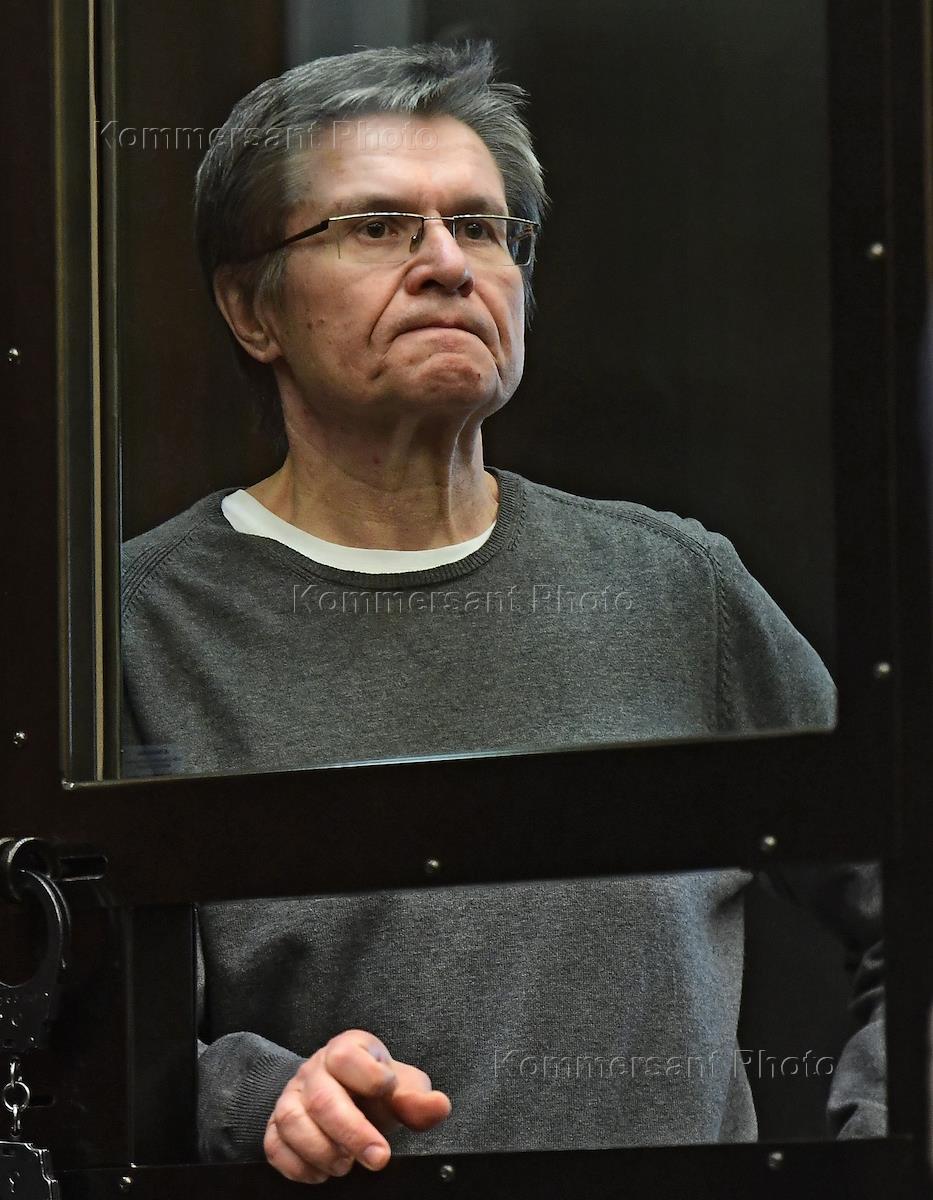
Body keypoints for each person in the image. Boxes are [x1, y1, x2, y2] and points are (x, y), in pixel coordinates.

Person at [121, 41, 886, 1185]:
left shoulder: (680, 587)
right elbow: (54, 1035)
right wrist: (249, 1099)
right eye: (379, 226)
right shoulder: (131, 631)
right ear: (250, 308)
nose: (447, 263)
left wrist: (881, 1149)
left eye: (481, 228)